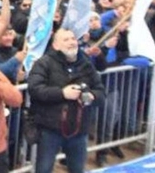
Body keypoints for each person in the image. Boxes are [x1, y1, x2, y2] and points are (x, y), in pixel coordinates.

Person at [27, 28, 105, 173]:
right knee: (44, 169)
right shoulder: (44, 63)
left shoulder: (86, 64)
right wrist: (62, 93)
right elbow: (35, 89)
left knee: (77, 169)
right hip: (50, 129)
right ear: (55, 45)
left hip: (79, 129)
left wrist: (92, 96)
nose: (71, 42)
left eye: (73, 39)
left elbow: (101, 91)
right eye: (66, 39)